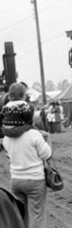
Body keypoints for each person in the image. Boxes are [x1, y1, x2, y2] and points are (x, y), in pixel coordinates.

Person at [1, 83, 52, 228]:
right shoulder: (34, 135)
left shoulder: (6, 138)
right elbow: (46, 154)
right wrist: (48, 140)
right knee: (38, 217)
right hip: (35, 180)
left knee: (21, 216)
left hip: (16, 180)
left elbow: (9, 156)